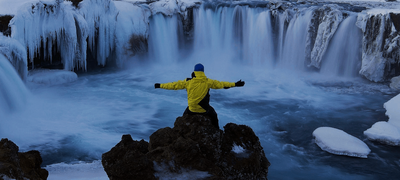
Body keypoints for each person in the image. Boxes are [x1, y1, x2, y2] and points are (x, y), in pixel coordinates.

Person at [154, 63, 245, 129]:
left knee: (184, 116)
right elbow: (222, 84)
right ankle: (217, 130)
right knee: (214, 114)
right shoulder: (208, 81)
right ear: (203, 72)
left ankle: (181, 128)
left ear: (194, 72)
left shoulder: (188, 82)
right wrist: (235, 84)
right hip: (204, 110)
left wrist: (160, 85)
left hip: (191, 110)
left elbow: (173, 85)